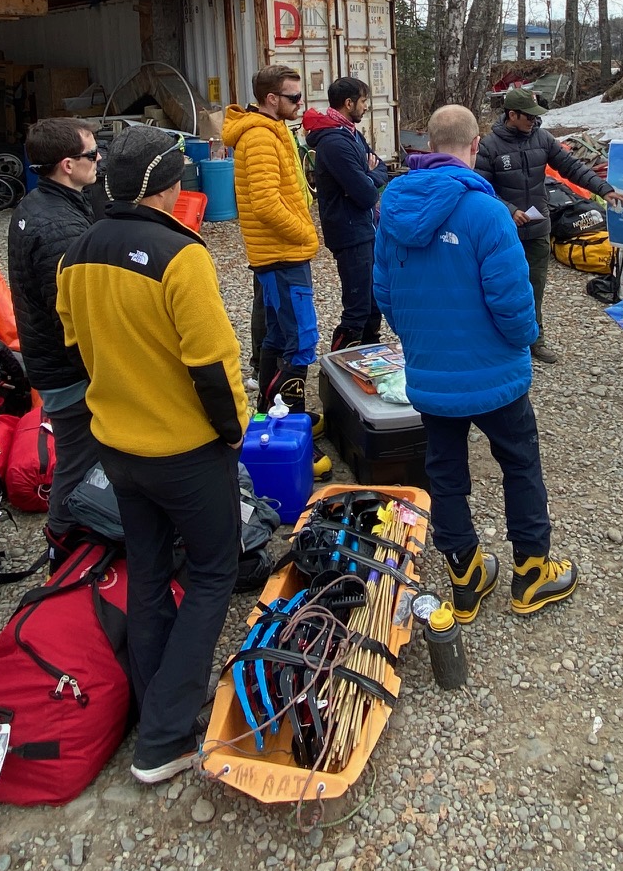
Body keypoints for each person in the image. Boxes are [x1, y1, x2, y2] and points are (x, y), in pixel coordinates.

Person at [55, 126, 249, 784]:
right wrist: (233, 431)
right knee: (213, 572)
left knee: (147, 570)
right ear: (166, 187)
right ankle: (164, 737)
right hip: (184, 448)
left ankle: (148, 704)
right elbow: (213, 363)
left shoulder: (74, 253)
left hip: (119, 445)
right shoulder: (179, 253)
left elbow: (75, 341)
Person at [376, 104, 578, 621]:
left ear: (427, 145)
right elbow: (513, 304)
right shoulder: (486, 213)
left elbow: (385, 294)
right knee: (520, 465)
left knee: (444, 471)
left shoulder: (391, 209)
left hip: (431, 372)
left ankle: (464, 574)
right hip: (496, 374)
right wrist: (525, 340)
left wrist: (420, 340)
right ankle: (531, 572)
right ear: (473, 147)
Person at [221, 65, 330, 478]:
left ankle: (273, 415)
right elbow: (266, 203)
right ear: (271, 99)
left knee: (276, 336)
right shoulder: (261, 137)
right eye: (294, 98)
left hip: (278, 256)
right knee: (300, 342)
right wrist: (306, 233)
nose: (300, 105)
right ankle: (293, 426)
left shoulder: (269, 130)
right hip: (283, 255)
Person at [474, 86, 623, 364]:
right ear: (512, 115)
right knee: (498, 285)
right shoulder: (489, 146)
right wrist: (508, 210)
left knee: (535, 287)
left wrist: (604, 190)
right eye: (529, 116)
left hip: (538, 229)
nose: (534, 121)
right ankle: (496, 340)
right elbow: (481, 187)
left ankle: (535, 339)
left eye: (536, 116)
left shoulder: (543, 139)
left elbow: (573, 168)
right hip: (504, 231)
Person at [6, 116, 101, 554]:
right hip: (68, 369)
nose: (99, 159)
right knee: (78, 456)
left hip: (53, 362)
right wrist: (104, 369)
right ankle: (63, 538)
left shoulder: (39, 204)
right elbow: (74, 316)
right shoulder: (60, 228)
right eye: (91, 154)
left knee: (80, 451)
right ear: (66, 164)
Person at [303, 76, 391, 352]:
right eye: (363, 101)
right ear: (349, 103)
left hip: (366, 227)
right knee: (357, 306)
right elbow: (365, 194)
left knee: (374, 300)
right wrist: (367, 174)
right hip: (349, 232)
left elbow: (382, 167)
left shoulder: (350, 132)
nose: (366, 107)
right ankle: (340, 362)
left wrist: (368, 174)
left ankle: (370, 355)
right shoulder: (334, 143)